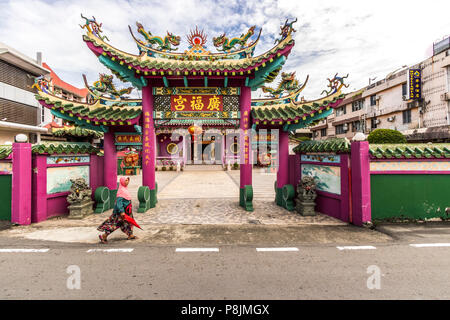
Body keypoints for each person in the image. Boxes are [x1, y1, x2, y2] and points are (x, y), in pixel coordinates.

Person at [97, 177, 138, 243]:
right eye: (126, 180)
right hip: (120, 212)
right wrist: (122, 212)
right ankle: (104, 236)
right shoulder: (121, 191)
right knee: (114, 225)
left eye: (128, 180)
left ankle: (130, 235)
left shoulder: (125, 189)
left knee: (129, 223)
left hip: (127, 211)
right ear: (122, 182)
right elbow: (119, 203)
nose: (127, 182)